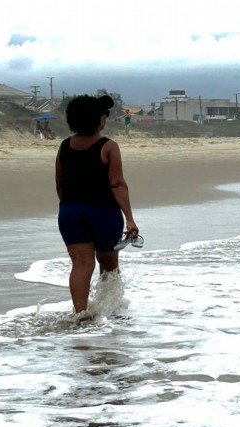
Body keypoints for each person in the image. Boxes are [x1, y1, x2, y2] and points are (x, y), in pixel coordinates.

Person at [55, 95, 139, 320]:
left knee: (81, 264)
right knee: (109, 262)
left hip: (70, 211)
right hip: (103, 212)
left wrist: (72, 207)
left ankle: (79, 314)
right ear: (98, 119)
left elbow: (60, 185)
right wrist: (129, 218)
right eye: (104, 114)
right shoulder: (108, 146)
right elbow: (117, 183)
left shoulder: (64, 146)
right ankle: (109, 311)